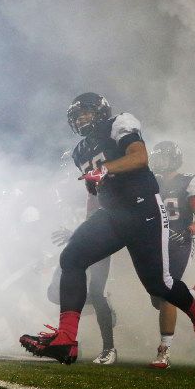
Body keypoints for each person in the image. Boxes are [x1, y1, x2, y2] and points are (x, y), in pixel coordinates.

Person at [19, 93, 195, 364]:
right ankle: (66, 340)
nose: (81, 118)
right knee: (71, 258)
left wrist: (105, 169)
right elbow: (94, 194)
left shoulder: (120, 123)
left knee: (159, 285)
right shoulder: (80, 151)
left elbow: (140, 157)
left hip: (144, 210)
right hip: (112, 215)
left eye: (86, 112)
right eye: (77, 115)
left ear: (100, 111)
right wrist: (87, 224)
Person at [49, 151, 119, 364]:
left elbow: (100, 216)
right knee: (55, 293)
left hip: (98, 240)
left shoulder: (99, 182)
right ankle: (70, 336)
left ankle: (109, 348)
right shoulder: (61, 193)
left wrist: (76, 233)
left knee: (97, 293)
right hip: (76, 244)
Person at [146, 140, 195, 369]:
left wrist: (187, 231)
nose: (159, 160)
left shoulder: (187, 182)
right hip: (157, 244)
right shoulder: (151, 183)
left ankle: (164, 351)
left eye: (163, 156)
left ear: (173, 158)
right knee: (157, 299)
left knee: (165, 296)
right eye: (157, 156)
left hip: (180, 242)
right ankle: (194, 297)